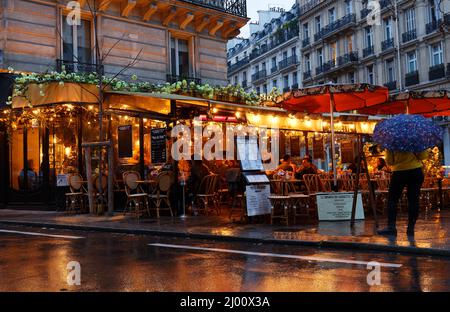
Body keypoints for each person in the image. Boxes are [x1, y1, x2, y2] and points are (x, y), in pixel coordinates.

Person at [377, 149, 428, 237]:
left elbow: (390, 161)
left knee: (393, 200)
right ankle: (410, 228)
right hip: (416, 171)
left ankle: (391, 227)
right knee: (413, 200)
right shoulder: (415, 138)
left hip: (399, 172)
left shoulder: (393, 140)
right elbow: (423, 156)